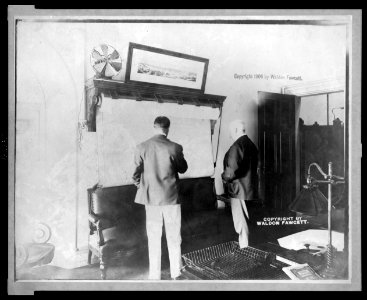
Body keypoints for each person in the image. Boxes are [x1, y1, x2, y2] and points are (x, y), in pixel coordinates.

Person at [132, 116, 188, 280]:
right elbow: (183, 168)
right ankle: (176, 272)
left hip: (151, 199)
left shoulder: (141, 147)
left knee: (154, 237)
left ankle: (154, 275)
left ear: (154, 127)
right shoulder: (175, 147)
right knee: (174, 236)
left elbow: (135, 174)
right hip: (171, 199)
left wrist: (142, 187)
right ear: (168, 129)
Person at [221, 119, 259, 248]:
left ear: (236, 130)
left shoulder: (236, 146)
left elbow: (230, 173)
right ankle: (251, 251)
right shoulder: (251, 145)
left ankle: (246, 253)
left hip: (239, 192)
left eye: (231, 132)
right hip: (250, 190)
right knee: (249, 224)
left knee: (242, 226)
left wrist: (223, 177)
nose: (230, 135)